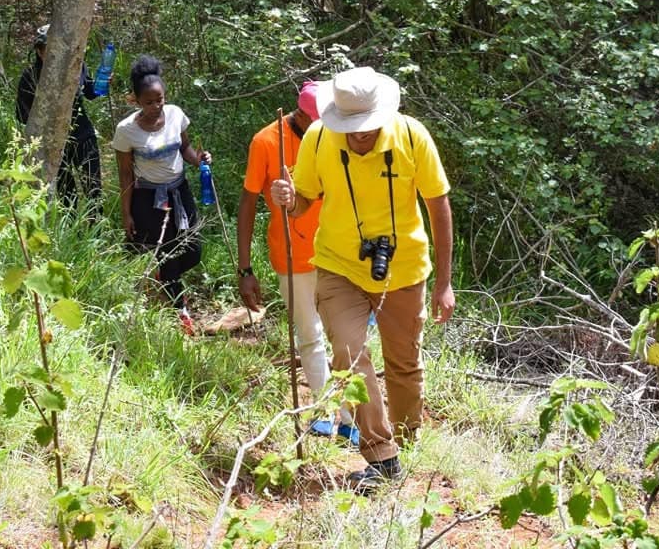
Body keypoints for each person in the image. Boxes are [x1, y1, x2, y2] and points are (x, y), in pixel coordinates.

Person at [271, 66, 454, 495]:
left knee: (404, 366)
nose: (359, 136)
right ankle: (382, 455)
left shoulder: (411, 136)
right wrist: (288, 199)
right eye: (351, 128)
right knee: (348, 355)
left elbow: (438, 205)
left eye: (367, 128)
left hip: (405, 268)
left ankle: (408, 444)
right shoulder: (318, 137)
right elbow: (302, 203)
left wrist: (444, 282)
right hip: (338, 263)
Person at [237, 81, 357, 444]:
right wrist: (245, 269)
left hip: (338, 252)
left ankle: (351, 417)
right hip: (290, 255)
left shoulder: (336, 135)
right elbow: (247, 204)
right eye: (313, 119)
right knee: (310, 335)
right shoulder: (266, 142)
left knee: (346, 338)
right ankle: (321, 411)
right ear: (301, 113)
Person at [111, 55, 211, 333]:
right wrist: (126, 214)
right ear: (136, 100)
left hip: (180, 190)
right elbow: (126, 175)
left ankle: (165, 280)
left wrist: (200, 160)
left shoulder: (176, 115)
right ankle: (180, 309)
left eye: (160, 100)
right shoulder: (126, 131)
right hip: (150, 200)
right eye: (149, 102)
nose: (156, 106)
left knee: (193, 251)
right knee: (167, 254)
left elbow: (185, 149)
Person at [16, 24, 103, 211]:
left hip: (83, 136)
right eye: (50, 49)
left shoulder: (77, 67)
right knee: (66, 195)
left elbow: (90, 92)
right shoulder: (31, 76)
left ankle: (96, 234)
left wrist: (102, 84)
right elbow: (23, 115)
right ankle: (73, 236)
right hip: (53, 144)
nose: (56, 54)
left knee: (93, 188)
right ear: (40, 52)